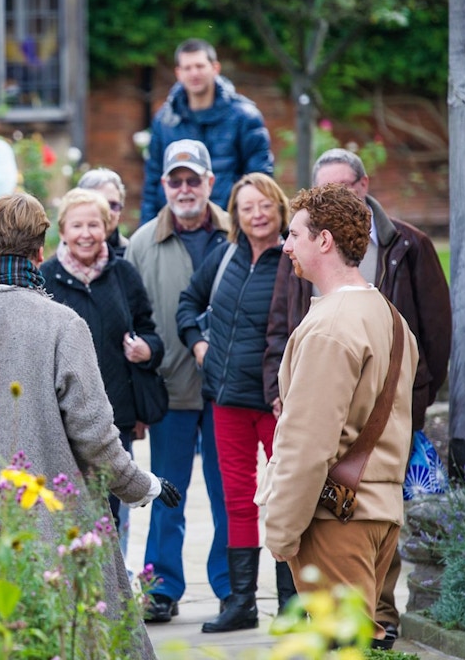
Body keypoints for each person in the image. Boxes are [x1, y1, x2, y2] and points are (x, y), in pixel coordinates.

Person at [0, 192, 181, 660]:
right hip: (51, 533)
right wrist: (144, 486)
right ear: (41, 250)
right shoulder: (61, 323)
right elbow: (96, 439)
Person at [262, 148, 451, 646]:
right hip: (379, 510)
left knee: (341, 650)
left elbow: (308, 444)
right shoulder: (389, 316)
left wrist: (280, 529)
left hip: (335, 520)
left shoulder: (329, 328)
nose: (286, 246)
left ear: (323, 241)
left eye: (295, 235)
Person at [174, 173, 293, 632]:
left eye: (265, 205)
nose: (257, 215)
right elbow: (188, 303)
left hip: (276, 404)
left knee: (284, 501)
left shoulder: (293, 261)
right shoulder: (223, 257)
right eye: (247, 208)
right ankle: (241, 603)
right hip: (226, 401)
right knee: (238, 501)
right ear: (236, 216)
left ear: (280, 209)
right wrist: (198, 345)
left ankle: (291, 605)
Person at [125, 139, 232, 623]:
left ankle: (235, 586)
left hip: (231, 390)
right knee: (166, 493)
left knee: (227, 491)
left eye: (195, 180)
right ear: (164, 184)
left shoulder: (238, 232)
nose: (185, 188)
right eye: (176, 180)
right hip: (169, 391)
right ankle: (161, 587)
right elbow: (130, 320)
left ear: (211, 183)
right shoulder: (143, 242)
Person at [39, 188, 164, 555]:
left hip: (115, 418)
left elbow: (149, 329)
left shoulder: (123, 274)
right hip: (61, 419)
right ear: (62, 230)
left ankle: (112, 596)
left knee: (110, 513)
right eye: (77, 225)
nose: (86, 233)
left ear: (107, 227)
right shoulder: (45, 277)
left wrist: (147, 350)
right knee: (65, 510)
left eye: (94, 224)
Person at [140, 38, 274, 223]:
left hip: (231, 225)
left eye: (200, 66)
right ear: (178, 73)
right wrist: (146, 233)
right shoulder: (165, 121)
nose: (194, 73)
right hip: (178, 225)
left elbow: (260, 179)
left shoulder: (244, 117)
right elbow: (153, 181)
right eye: (187, 68)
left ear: (215, 68)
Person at [77, 167, 130, 259]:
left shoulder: (132, 255)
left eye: (113, 205)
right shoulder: (61, 260)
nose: (107, 211)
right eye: (99, 204)